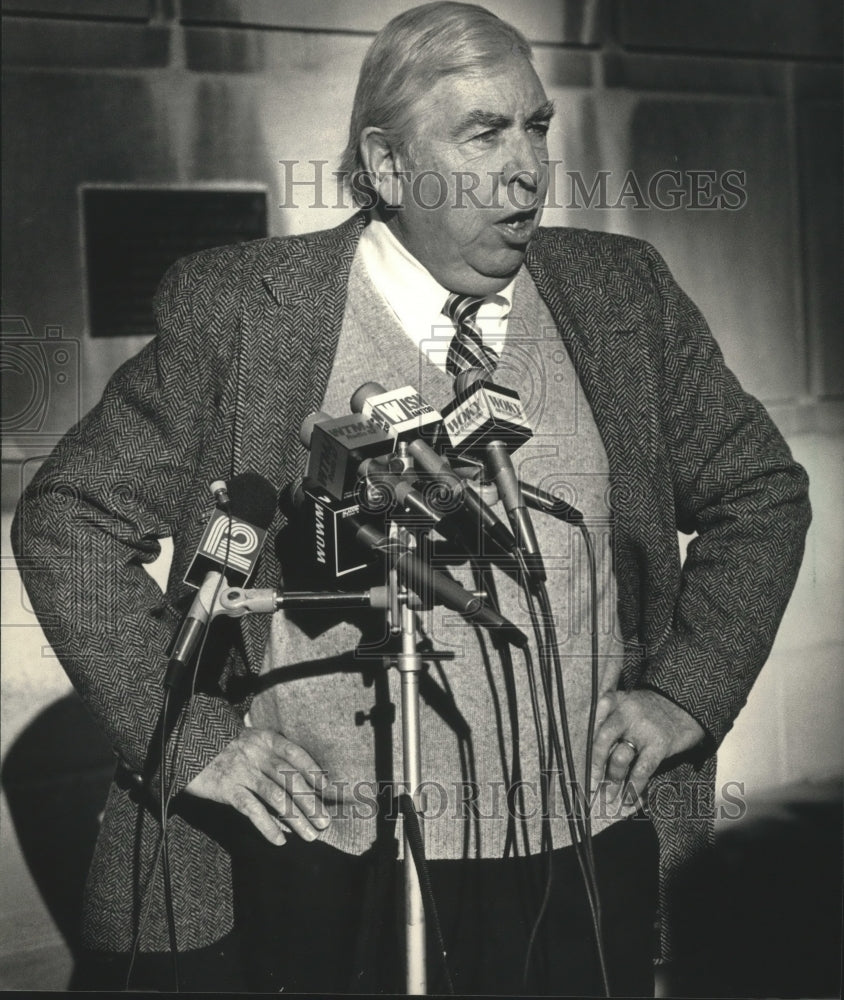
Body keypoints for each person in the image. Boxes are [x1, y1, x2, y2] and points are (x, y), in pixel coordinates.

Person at [12, 2, 810, 995]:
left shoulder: (621, 294)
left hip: (578, 850)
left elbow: (759, 490)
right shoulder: (242, 309)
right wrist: (190, 739)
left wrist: (685, 691)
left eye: (536, 127)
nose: (527, 168)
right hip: (322, 863)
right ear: (389, 168)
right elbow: (69, 516)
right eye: (483, 133)